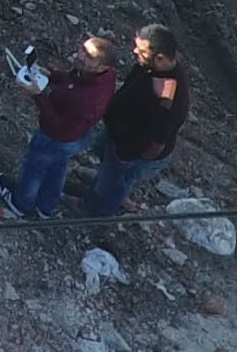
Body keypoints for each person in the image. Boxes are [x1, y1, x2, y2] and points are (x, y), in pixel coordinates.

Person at [0, 32, 119, 223]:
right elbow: (72, 79)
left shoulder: (88, 100)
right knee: (57, 168)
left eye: (89, 56)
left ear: (103, 66)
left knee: (34, 168)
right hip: (77, 136)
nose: (80, 56)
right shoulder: (103, 75)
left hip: (58, 137)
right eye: (83, 49)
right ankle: (46, 207)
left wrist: (37, 95)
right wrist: (53, 75)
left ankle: (20, 203)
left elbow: (58, 126)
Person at [82, 25, 192, 219]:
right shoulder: (149, 66)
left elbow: (156, 145)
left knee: (113, 182)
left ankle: (95, 210)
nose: (135, 52)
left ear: (160, 57)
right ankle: (108, 181)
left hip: (130, 150)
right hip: (117, 134)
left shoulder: (172, 98)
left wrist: (127, 158)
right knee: (105, 160)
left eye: (141, 51)